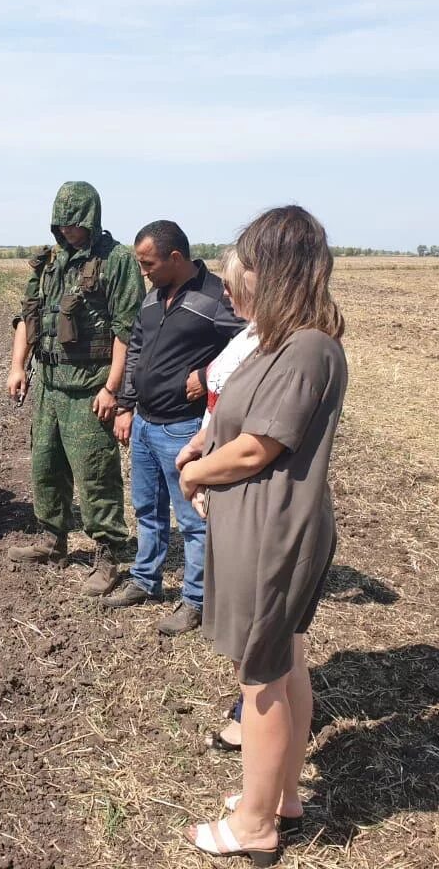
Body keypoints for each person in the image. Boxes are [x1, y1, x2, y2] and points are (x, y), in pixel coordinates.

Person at [176, 206, 347, 864]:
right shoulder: (282, 343)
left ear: (271, 271)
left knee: (262, 676)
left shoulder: (308, 348)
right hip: (260, 522)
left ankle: (254, 826)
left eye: (240, 269)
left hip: (275, 528)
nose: (231, 284)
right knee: (286, 662)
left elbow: (258, 449)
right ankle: (280, 795)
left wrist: (196, 472)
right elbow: (235, 421)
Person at [103, 221, 244, 635]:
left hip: (184, 429)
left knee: (193, 520)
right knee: (147, 510)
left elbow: (252, 347)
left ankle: (195, 600)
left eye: (149, 264)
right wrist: (127, 407)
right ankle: (145, 580)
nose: (144, 272)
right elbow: (137, 350)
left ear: (176, 259)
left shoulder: (216, 297)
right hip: (145, 423)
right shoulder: (153, 297)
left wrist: (207, 372)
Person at [5, 181, 145, 595]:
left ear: (90, 219)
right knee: (45, 468)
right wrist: (18, 367)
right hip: (49, 385)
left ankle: (108, 553)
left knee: (95, 473)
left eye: (74, 222)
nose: (67, 230)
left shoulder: (116, 261)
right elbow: (28, 318)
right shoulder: (49, 261)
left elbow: (127, 330)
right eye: (60, 223)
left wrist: (113, 388)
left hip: (90, 387)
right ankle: (54, 539)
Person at [173, 246, 262, 743]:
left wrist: (198, 471)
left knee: (254, 620)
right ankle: (249, 705)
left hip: (246, 492)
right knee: (238, 617)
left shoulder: (279, 347)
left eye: (232, 285)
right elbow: (219, 402)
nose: (222, 293)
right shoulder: (248, 335)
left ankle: (253, 715)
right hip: (219, 476)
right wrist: (197, 445)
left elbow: (253, 445)